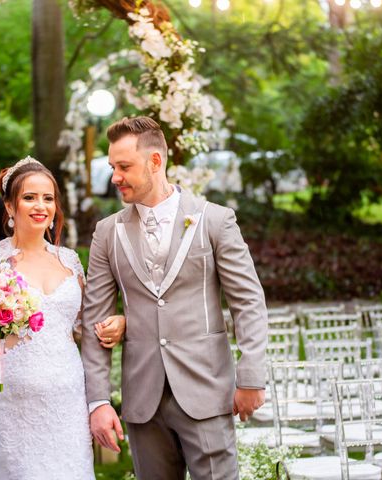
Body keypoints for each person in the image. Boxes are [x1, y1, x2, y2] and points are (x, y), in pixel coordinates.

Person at [81, 117, 268, 479]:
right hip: (142, 400)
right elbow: (95, 320)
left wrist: (251, 377)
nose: (115, 177)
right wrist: (99, 400)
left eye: (124, 167)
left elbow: (248, 302)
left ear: (155, 162)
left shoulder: (214, 220)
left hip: (206, 390)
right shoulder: (107, 233)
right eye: (112, 167)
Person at [0, 157, 126, 479]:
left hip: (67, 398)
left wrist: (118, 323)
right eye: (29, 197)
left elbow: (83, 327)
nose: (40, 206)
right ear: (9, 206)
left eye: (48, 198)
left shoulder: (70, 261)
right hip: (10, 399)